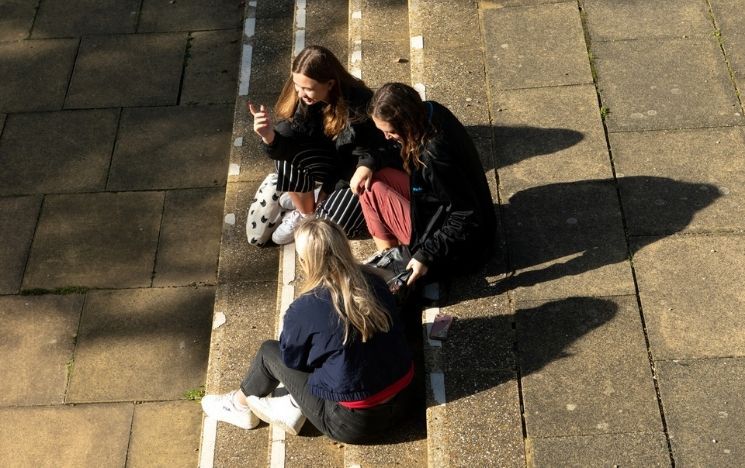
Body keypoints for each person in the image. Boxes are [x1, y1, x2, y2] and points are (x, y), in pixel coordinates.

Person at [201, 218, 414, 443]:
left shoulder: (304, 308)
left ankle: (239, 405)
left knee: (268, 353)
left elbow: (293, 362)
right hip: (405, 399)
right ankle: (291, 406)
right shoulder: (375, 280)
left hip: (354, 423)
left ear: (305, 262)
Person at [248, 45, 399, 244]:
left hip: (356, 172)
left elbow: (361, 158)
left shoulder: (359, 105)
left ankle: (309, 202)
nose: (301, 93)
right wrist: (268, 136)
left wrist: (328, 190)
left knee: (331, 226)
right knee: (285, 153)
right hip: (331, 165)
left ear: (329, 84)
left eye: (308, 88)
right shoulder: (304, 100)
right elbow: (294, 141)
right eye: (297, 85)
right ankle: (306, 213)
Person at [359, 82, 497, 286]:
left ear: (407, 123)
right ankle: (393, 258)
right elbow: (393, 149)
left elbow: (465, 215)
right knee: (374, 178)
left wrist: (426, 254)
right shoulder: (431, 111)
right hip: (440, 207)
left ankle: (397, 267)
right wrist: (368, 162)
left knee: (369, 191)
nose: (387, 137)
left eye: (392, 132)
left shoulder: (434, 156)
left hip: (463, 248)